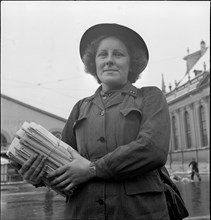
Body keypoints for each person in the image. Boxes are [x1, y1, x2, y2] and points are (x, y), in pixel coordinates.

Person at [14, 23, 171, 220]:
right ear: (93, 63)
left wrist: (93, 169)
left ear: (131, 63)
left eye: (118, 54)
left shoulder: (150, 96)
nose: (109, 60)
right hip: (83, 212)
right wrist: (37, 175)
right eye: (102, 54)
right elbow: (62, 161)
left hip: (140, 212)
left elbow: (152, 149)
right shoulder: (80, 107)